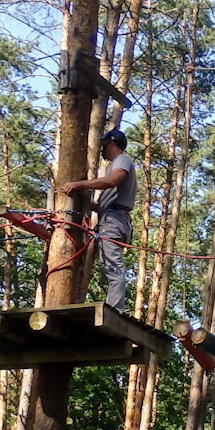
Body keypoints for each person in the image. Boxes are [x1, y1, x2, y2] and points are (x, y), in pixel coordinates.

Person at [62, 129, 138, 310]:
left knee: (113, 266)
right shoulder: (116, 164)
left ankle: (115, 310)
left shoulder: (122, 160)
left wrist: (78, 184)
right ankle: (115, 307)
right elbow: (108, 199)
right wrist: (86, 204)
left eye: (104, 144)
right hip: (112, 217)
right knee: (109, 266)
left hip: (114, 219)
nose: (102, 149)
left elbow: (112, 181)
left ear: (112, 143)